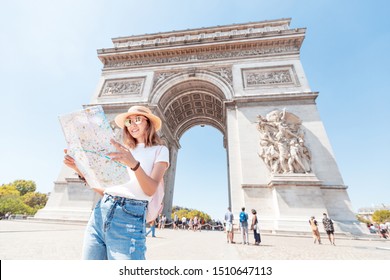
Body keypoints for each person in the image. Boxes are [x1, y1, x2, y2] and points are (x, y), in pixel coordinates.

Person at [63, 105, 169, 260]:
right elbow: (105, 190)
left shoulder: (160, 150)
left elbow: (150, 189)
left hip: (129, 217)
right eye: (128, 121)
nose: (132, 124)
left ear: (149, 123)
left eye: (137, 119)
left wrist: (134, 164)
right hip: (100, 214)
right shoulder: (120, 150)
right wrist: (78, 168)